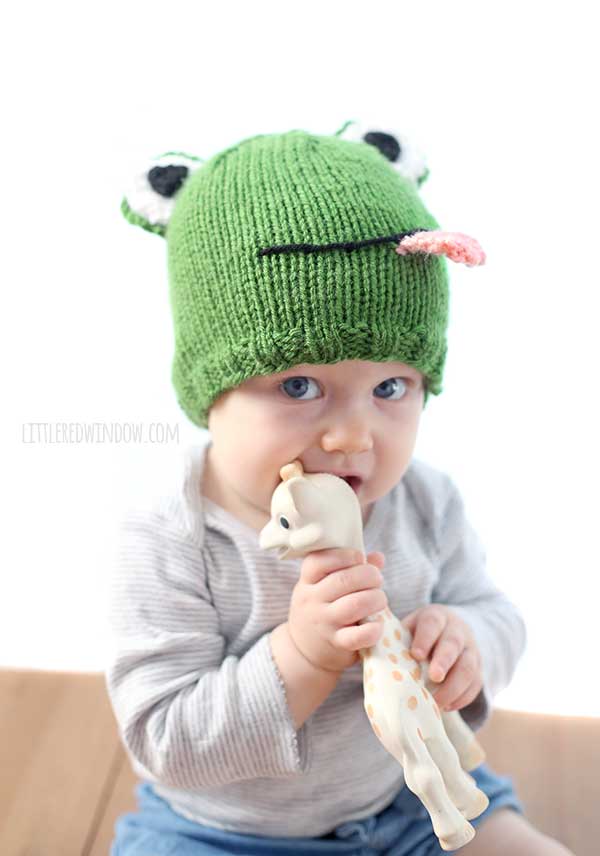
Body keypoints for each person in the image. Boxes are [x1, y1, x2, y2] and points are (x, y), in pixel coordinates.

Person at [107, 122, 573, 854]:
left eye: (391, 385)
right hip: (225, 833)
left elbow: (496, 610)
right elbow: (163, 736)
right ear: (210, 392)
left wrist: (468, 641)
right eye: (299, 385)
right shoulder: (172, 534)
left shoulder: (424, 500)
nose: (353, 436)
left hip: (412, 805)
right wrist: (300, 655)